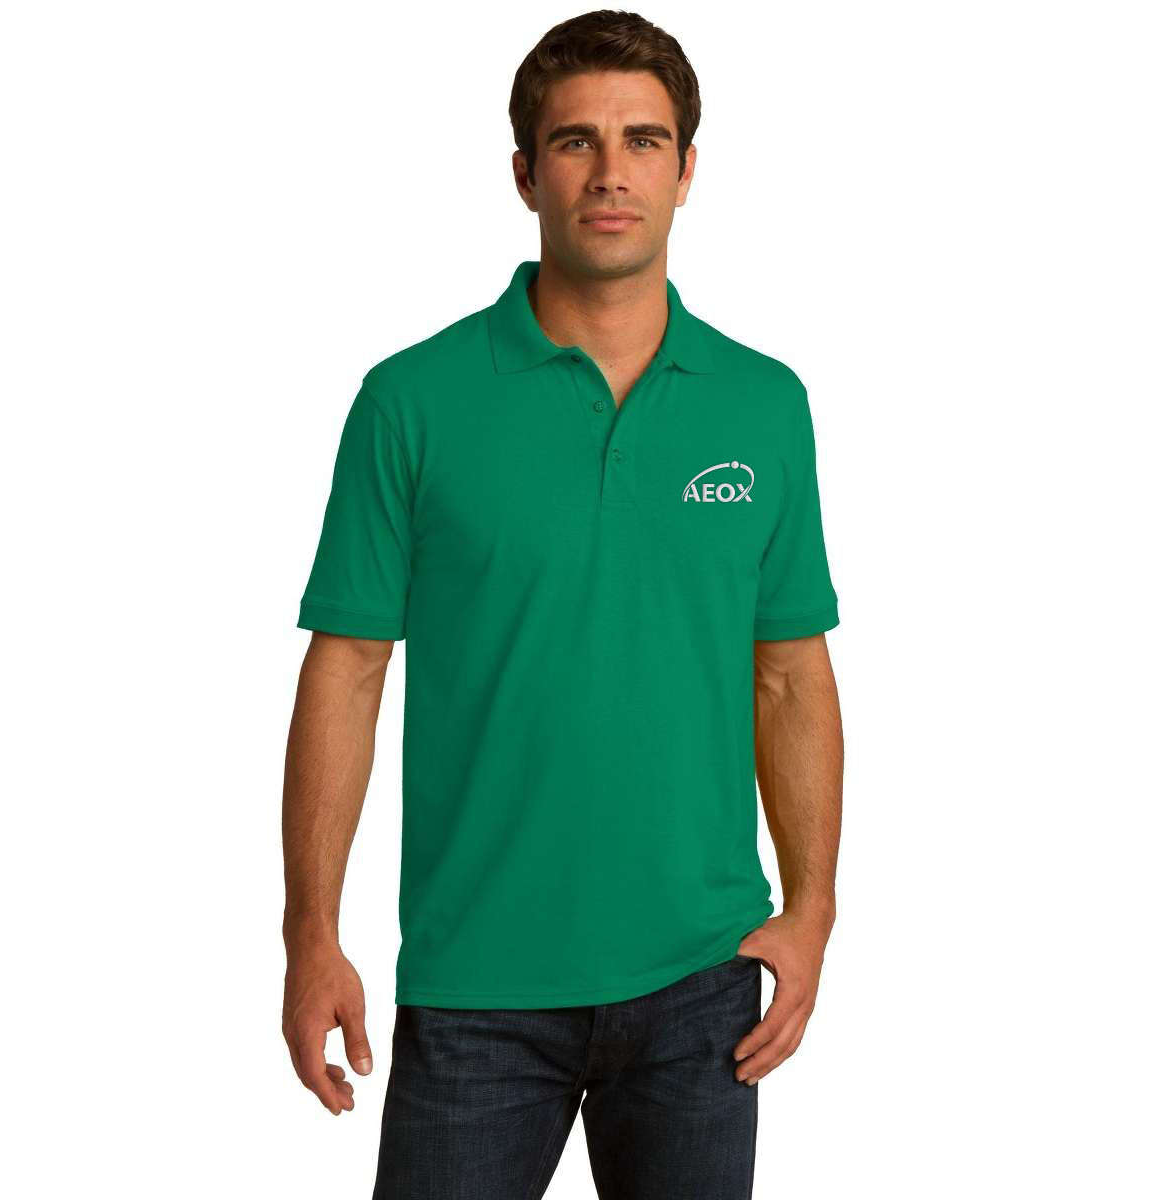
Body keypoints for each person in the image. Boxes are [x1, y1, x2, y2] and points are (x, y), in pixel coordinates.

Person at [281, 10, 843, 1197]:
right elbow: (348, 667)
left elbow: (790, 674)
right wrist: (311, 933)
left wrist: (813, 911)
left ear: (687, 170)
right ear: (526, 173)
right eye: (576, 141)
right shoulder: (411, 401)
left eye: (644, 140)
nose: (610, 171)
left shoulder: (764, 405)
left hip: (701, 983)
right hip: (476, 987)